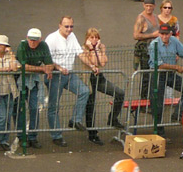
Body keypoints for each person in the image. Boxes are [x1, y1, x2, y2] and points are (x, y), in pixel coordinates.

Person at [45, 16, 96, 146]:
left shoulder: (72, 37)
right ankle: (56, 135)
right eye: (66, 26)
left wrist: (92, 65)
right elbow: (47, 59)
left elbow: (80, 53)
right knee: (53, 106)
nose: (69, 29)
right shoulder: (51, 39)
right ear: (60, 26)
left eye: (71, 26)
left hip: (69, 74)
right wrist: (59, 68)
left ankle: (75, 120)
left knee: (84, 91)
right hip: (56, 75)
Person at [15, 28, 55, 149]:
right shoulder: (22, 46)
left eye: (35, 40)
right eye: (31, 40)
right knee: (20, 109)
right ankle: (21, 136)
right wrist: (42, 69)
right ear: (27, 38)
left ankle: (33, 136)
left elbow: (49, 64)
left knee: (34, 108)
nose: (32, 42)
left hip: (34, 81)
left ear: (40, 40)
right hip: (21, 80)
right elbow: (22, 66)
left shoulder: (43, 46)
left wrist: (46, 68)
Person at [83, 28, 125, 131]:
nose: (94, 40)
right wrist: (92, 50)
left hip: (99, 77)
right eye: (91, 37)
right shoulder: (83, 48)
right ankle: (91, 131)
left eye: (96, 37)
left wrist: (97, 49)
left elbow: (102, 63)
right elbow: (94, 62)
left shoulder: (101, 47)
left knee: (119, 93)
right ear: (87, 38)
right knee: (90, 105)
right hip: (88, 78)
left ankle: (112, 119)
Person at [133, 0, 160, 99]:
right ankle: (144, 101)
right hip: (144, 50)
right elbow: (136, 35)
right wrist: (152, 35)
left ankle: (153, 98)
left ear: (154, 6)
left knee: (155, 75)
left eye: (151, 6)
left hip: (155, 50)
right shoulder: (141, 18)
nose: (148, 8)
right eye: (147, 6)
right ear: (143, 5)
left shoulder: (156, 17)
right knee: (146, 76)